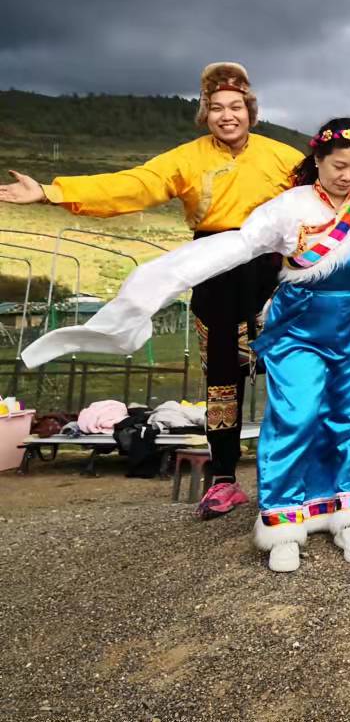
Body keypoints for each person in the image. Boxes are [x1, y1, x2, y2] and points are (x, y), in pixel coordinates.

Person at [22, 119, 350, 572]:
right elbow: (230, 248)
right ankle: (283, 521)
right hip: (299, 326)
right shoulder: (289, 208)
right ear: (319, 160)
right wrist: (154, 286)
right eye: (338, 165)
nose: (348, 176)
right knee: (297, 415)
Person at [0, 62, 302, 519]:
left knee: (291, 372)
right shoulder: (187, 158)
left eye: (236, 106)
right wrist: (51, 192)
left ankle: (291, 474)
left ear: (251, 111)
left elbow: (324, 193)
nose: (227, 115)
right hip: (214, 270)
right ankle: (223, 480)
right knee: (223, 382)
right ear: (206, 114)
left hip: (273, 273)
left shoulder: (283, 157)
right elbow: (135, 186)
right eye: (216, 108)